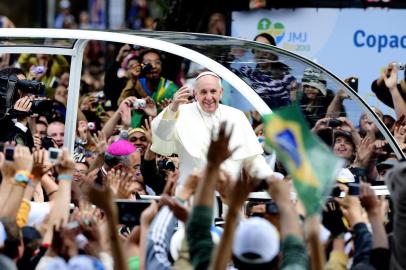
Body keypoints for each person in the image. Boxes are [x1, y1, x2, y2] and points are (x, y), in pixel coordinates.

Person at [151, 71, 273, 184]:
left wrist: (272, 181)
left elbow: (252, 158)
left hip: (228, 195)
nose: (209, 97)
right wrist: (172, 108)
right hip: (192, 195)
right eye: (203, 92)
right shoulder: (181, 112)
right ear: (195, 94)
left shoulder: (236, 116)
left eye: (213, 91)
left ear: (221, 92)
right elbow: (162, 134)